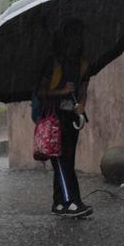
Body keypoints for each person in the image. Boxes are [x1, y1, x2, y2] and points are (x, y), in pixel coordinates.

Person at [35, 19, 93, 217]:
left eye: (78, 36)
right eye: (71, 35)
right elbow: (40, 92)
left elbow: (84, 88)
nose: (75, 40)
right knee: (60, 160)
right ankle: (72, 202)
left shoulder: (83, 63)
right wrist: (60, 92)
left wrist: (82, 104)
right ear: (64, 38)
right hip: (54, 118)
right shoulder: (53, 62)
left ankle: (59, 203)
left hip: (73, 116)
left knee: (68, 159)